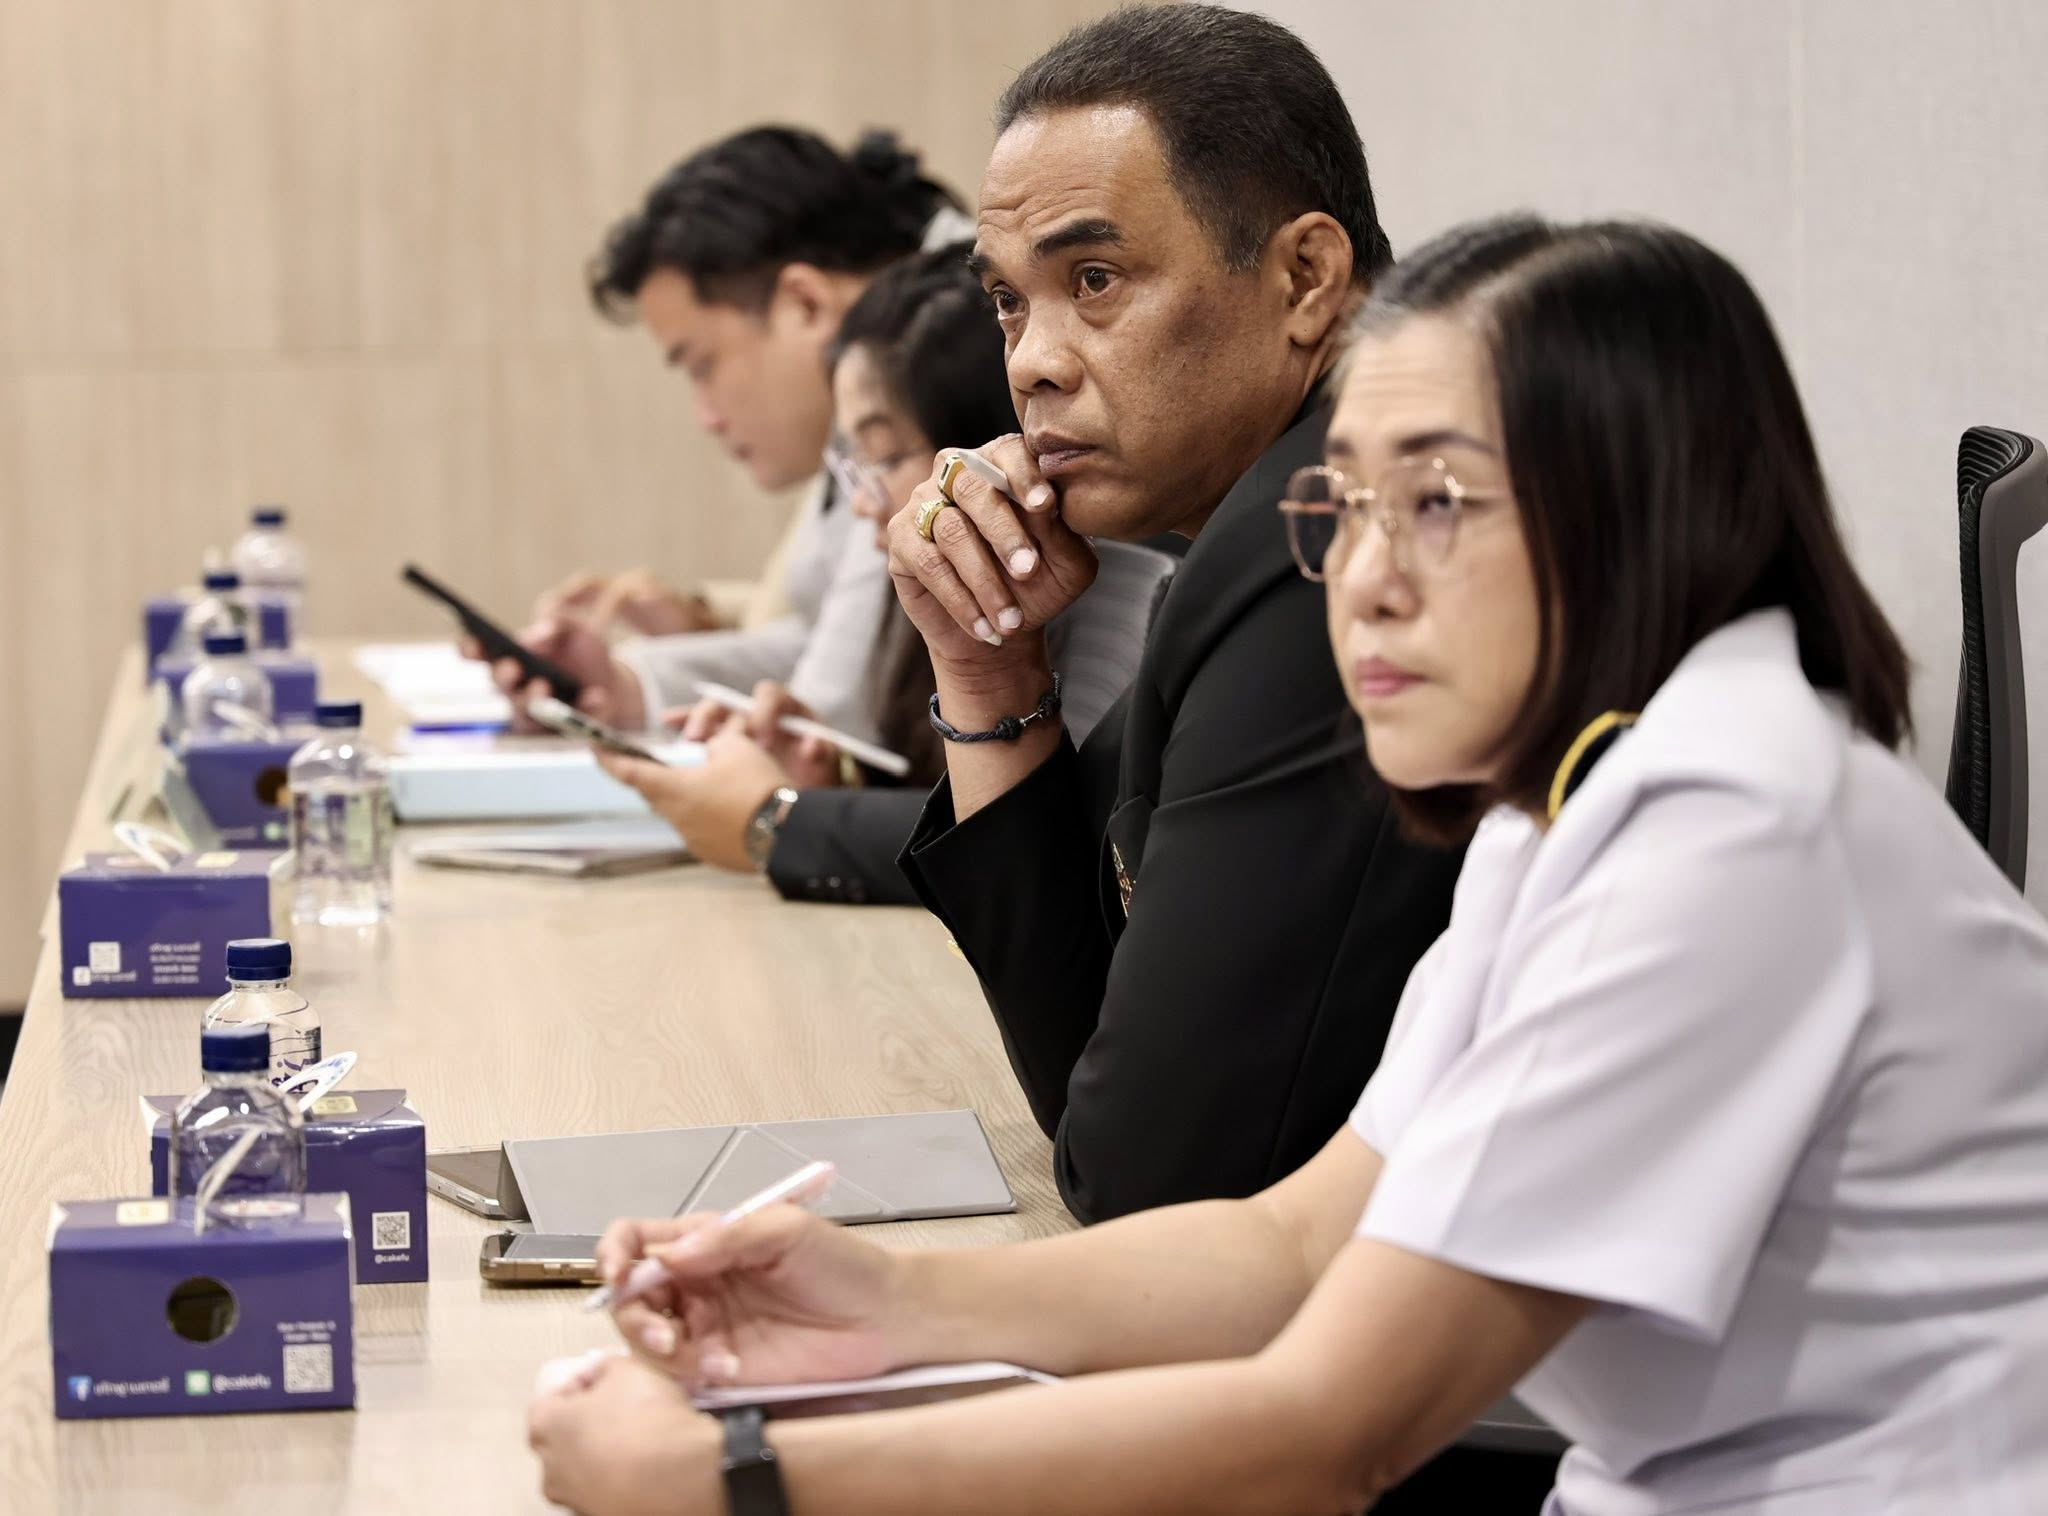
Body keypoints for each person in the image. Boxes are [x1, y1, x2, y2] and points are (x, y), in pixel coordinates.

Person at [530, 213, 2048, 1516]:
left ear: (1638, 515)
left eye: (1436, 503)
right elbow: (1298, 1242)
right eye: (1347, 507)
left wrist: (738, 1476)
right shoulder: (1569, 800)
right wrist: (882, 1299)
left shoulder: (1727, 834)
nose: (1365, 580)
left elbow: (1328, 1432)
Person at [884, 5, 1461, 1222]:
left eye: (1093, 281)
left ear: (1305, 278)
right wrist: (986, 672)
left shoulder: (1335, 539)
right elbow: (1089, 1063)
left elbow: (1143, 1171)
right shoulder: (1267, 519)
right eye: (1008, 303)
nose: (1030, 362)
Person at [600, 245, 1177, 896]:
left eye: (888, 456)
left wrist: (783, 818)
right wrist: (836, 776)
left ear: (997, 446)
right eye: (855, 464)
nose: (863, 502)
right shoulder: (927, 591)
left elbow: (1076, 849)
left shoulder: (1127, 585)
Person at [476, 126, 969, 738]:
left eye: (702, 365)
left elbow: (840, 709)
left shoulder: (950, 354)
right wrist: (627, 688)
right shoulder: (887, 354)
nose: (705, 417)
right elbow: (825, 647)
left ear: (805, 305)